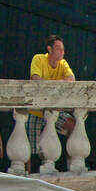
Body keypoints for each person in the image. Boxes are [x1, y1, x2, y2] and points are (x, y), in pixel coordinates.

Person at [28, 35, 77, 171]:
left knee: (72, 125)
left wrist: (52, 83)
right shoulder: (38, 59)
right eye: (58, 49)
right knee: (28, 150)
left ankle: (71, 164)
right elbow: (36, 79)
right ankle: (26, 174)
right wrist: (60, 83)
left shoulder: (63, 63)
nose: (62, 52)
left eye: (63, 49)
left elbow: (71, 79)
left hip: (54, 111)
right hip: (36, 111)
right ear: (49, 49)